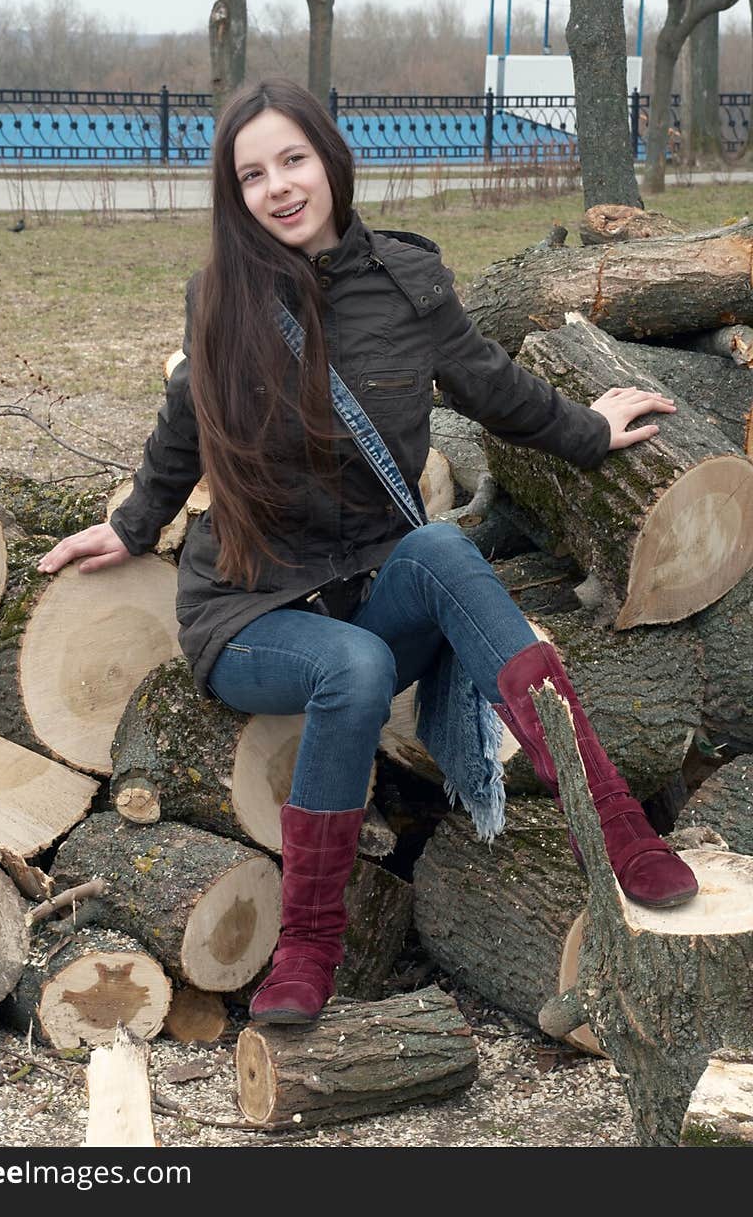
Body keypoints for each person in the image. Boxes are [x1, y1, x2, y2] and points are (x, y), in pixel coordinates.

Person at [38, 78, 698, 1027]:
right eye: (252, 174)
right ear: (236, 195)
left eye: (293, 160)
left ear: (331, 160)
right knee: (350, 666)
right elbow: (183, 425)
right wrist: (135, 522)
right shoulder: (218, 302)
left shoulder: (408, 279)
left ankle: (620, 834)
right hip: (251, 609)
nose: (278, 188)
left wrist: (590, 432)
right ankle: (309, 943)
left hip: (366, 591)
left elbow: (490, 385)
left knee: (440, 547)